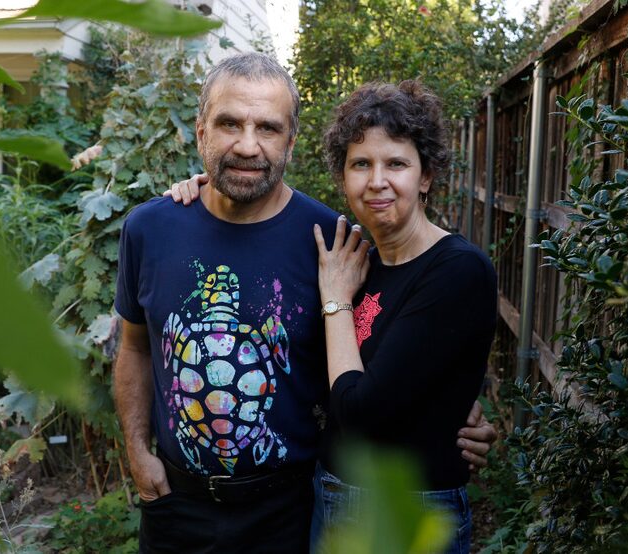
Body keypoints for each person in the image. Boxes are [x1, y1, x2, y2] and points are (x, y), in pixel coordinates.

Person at [109, 53, 496, 554]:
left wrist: (456, 413)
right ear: (201, 131)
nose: (247, 145)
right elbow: (135, 346)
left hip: (291, 510)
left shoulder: (334, 245)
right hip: (176, 506)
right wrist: (137, 450)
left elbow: (391, 353)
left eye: (267, 128)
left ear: (290, 142)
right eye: (229, 124)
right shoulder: (151, 228)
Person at [307, 80, 498, 553]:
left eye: (396, 163)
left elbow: (360, 415)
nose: (376, 181)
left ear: (426, 175)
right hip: (331, 499)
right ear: (343, 177)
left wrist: (334, 301)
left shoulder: (457, 272)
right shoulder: (356, 262)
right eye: (360, 164)